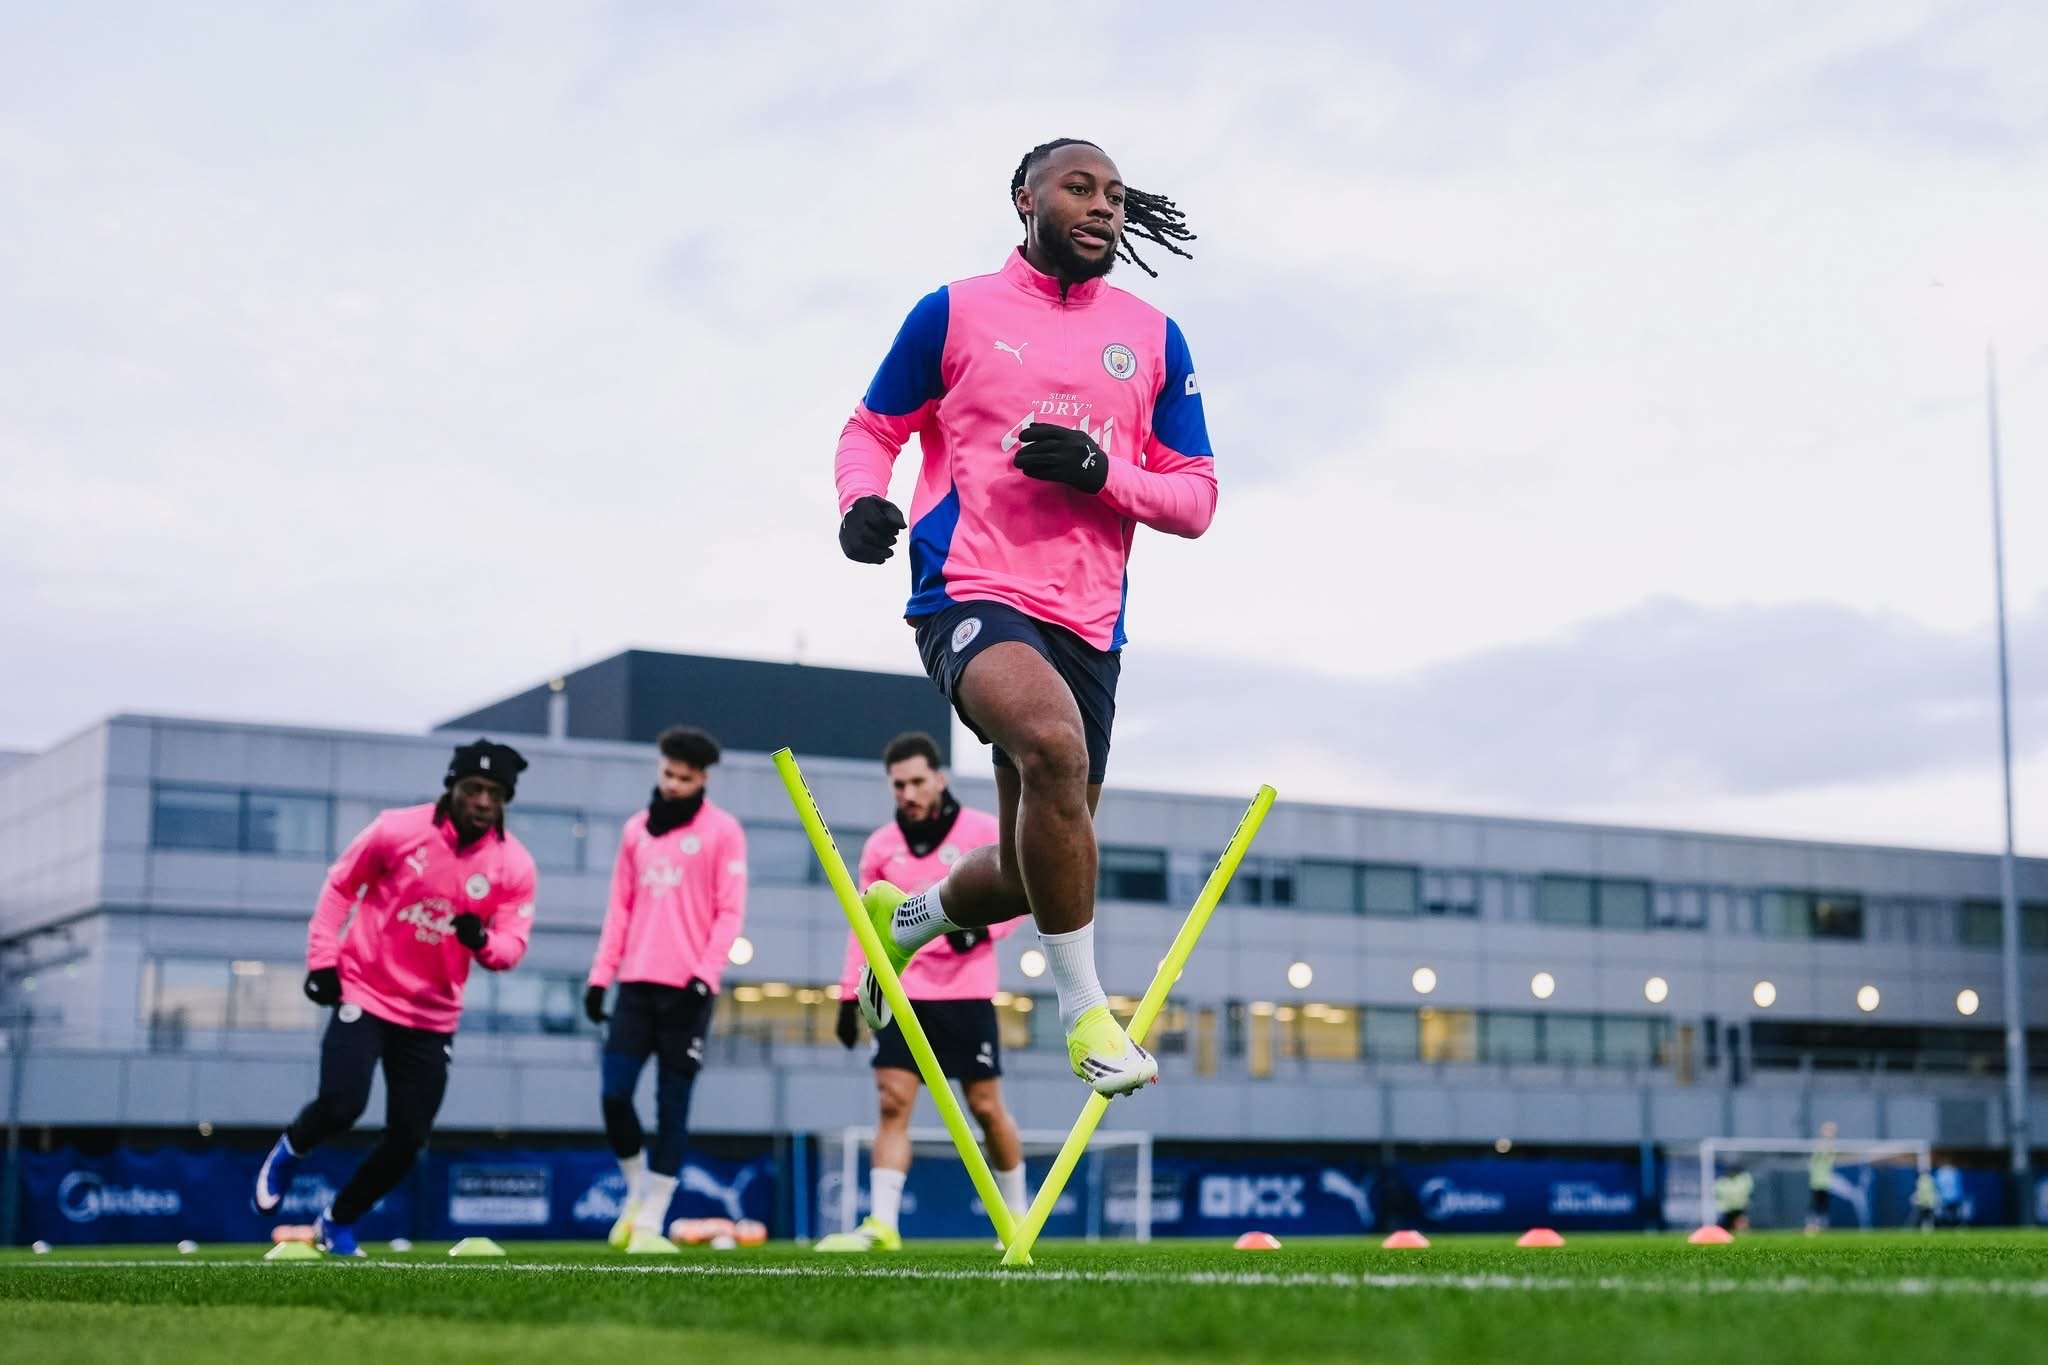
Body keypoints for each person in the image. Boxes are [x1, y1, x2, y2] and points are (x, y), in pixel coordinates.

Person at [833, 137, 1216, 1099]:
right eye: (1080, 188)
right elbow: (871, 430)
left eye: (1116, 197)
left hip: (1089, 622)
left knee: (1032, 862)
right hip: (967, 587)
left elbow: (1198, 500)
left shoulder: (1154, 337)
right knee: (1052, 747)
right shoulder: (955, 311)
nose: (1102, 207)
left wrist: (1101, 472)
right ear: (1025, 199)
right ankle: (1088, 1014)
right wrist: (859, 501)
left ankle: (904, 917)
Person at [252, 739, 537, 1256]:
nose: (481, 801)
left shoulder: (513, 866)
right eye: (473, 788)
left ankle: (336, 1221)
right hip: (367, 989)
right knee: (342, 1104)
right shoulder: (396, 831)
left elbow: (512, 946)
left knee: (409, 1139)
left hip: (433, 1015)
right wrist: (321, 960)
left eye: (494, 794)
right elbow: (341, 886)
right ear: (452, 787)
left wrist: (481, 941)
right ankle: (288, 1151)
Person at [819, 732, 1024, 1252]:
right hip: (900, 989)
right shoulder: (880, 846)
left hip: (967, 992)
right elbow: (862, 925)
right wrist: (849, 994)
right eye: (898, 785)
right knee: (891, 1103)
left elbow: (1020, 894)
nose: (907, 792)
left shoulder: (981, 829)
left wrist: (981, 930)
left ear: (939, 779)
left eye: (916, 781)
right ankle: (883, 1226)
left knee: (984, 1106)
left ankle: (1018, 1217)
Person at [585, 726, 748, 1252]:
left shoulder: (724, 832)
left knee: (671, 1107)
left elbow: (729, 911)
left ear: (701, 778)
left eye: (684, 777)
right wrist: (598, 977)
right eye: (667, 774)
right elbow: (620, 909)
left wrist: (706, 973)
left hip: (688, 992)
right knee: (614, 1095)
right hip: (634, 985)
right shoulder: (636, 831)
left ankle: (652, 1220)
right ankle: (637, 1193)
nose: (674, 784)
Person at [1806, 1120, 1838, 1235]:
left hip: (1826, 1182)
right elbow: (1815, 1160)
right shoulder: (1820, 1145)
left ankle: (1820, 1226)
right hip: (1817, 1181)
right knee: (1815, 1204)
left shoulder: (1832, 1147)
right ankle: (1811, 1226)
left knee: (1823, 1205)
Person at [1713, 1162, 1754, 1233]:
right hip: (1728, 1209)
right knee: (1725, 1225)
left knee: (1741, 1222)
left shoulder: (1743, 1180)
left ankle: (1743, 1233)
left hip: (1740, 1206)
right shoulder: (1722, 1182)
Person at [1911, 1167, 1938, 1232]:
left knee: (1923, 1217)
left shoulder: (1921, 1180)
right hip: (1928, 1202)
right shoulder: (1931, 1179)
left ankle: (1925, 1229)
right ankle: (1928, 1229)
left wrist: (1915, 1198)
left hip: (1923, 1202)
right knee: (1928, 1217)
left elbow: (1921, 1192)